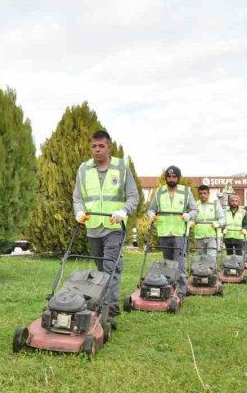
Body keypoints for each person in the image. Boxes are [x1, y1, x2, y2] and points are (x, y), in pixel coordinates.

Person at [73, 130, 139, 316]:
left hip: (114, 227)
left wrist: (123, 211)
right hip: (93, 228)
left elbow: (133, 196)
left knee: (111, 267)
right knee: (101, 269)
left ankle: (110, 310)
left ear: (109, 146)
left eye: (101, 146)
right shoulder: (84, 169)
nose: (97, 150)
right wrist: (78, 211)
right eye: (94, 146)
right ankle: (103, 301)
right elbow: (77, 197)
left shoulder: (121, 167)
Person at [147, 166, 197, 298]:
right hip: (164, 232)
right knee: (167, 263)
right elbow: (151, 209)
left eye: (174, 177)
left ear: (178, 178)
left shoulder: (186, 191)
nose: (171, 179)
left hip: (180, 232)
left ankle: (181, 291)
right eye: (169, 177)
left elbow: (194, 209)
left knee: (179, 262)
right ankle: (168, 287)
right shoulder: (159, 192)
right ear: (166, 178)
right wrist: (151, 215)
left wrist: (189, 215)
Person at [192, 184, 225, 259]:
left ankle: (213, 270)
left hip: (212, 236)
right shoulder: (195, 205)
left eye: (204, 193)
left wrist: (218, 223)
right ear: (198, 194)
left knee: (211, 258)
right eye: (200, 193)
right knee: (201, 258)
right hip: (199, 236)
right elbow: (191, 218)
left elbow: (222, 219)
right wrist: (191, 223)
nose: (202, 195)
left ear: (208, 194)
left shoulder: (215, 203)